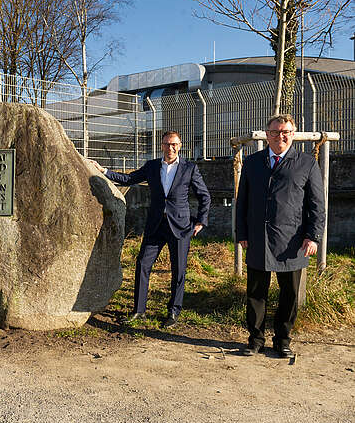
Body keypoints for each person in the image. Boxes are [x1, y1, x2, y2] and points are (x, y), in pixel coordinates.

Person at [90, 131, 210, 327]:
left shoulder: (190, 168)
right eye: (166, 144)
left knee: (178, 270)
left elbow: (204, 195)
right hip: (155, 225)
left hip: (180, 227)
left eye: (174, 144)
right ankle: (139, 311)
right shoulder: (153, 166)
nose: (170, 148)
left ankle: (173, 313)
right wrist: (104, 171)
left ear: (180, 146)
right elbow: (129, 179)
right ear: (161, 145)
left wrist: (201, 221)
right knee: (142, 265)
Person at [236, 114, 325, 357]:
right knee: (256, 293)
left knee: (290, 294)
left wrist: (313, 236)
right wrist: (241, 233)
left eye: (285, 131)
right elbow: (242, 201)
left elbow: (317, 205)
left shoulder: (306, 163)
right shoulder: (253, 162)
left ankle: (282, 339)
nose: (280, 136)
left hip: (292, 241)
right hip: (258, 238)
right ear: (267, 135)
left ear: (293, 135)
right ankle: (255, 339)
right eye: (275, 132)